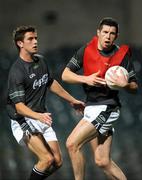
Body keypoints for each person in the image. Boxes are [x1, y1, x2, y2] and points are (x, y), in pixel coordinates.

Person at [62, 17, 138, 180]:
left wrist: (124, 84)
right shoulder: (86, 50)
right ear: (98, 33)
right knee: (103, 161)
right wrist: (86, 79)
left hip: (107, 108)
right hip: (92, 107)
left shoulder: (121, 55)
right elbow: (65, 75)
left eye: (112, 33)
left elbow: (134, 87)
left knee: (71, 144)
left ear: (116, 36)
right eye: (105, 32)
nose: (108, 36)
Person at [6, 25, 85, 180]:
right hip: (23, 118)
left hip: (40, 115)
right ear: (20, 43)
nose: (35, 41)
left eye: (36, 38)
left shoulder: (41, 61)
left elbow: (50, 82)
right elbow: (19, 107)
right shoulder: (17, 72)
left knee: (57, 162)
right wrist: (37, 116)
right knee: (46, 159)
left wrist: (73, 100)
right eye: (30, 39)